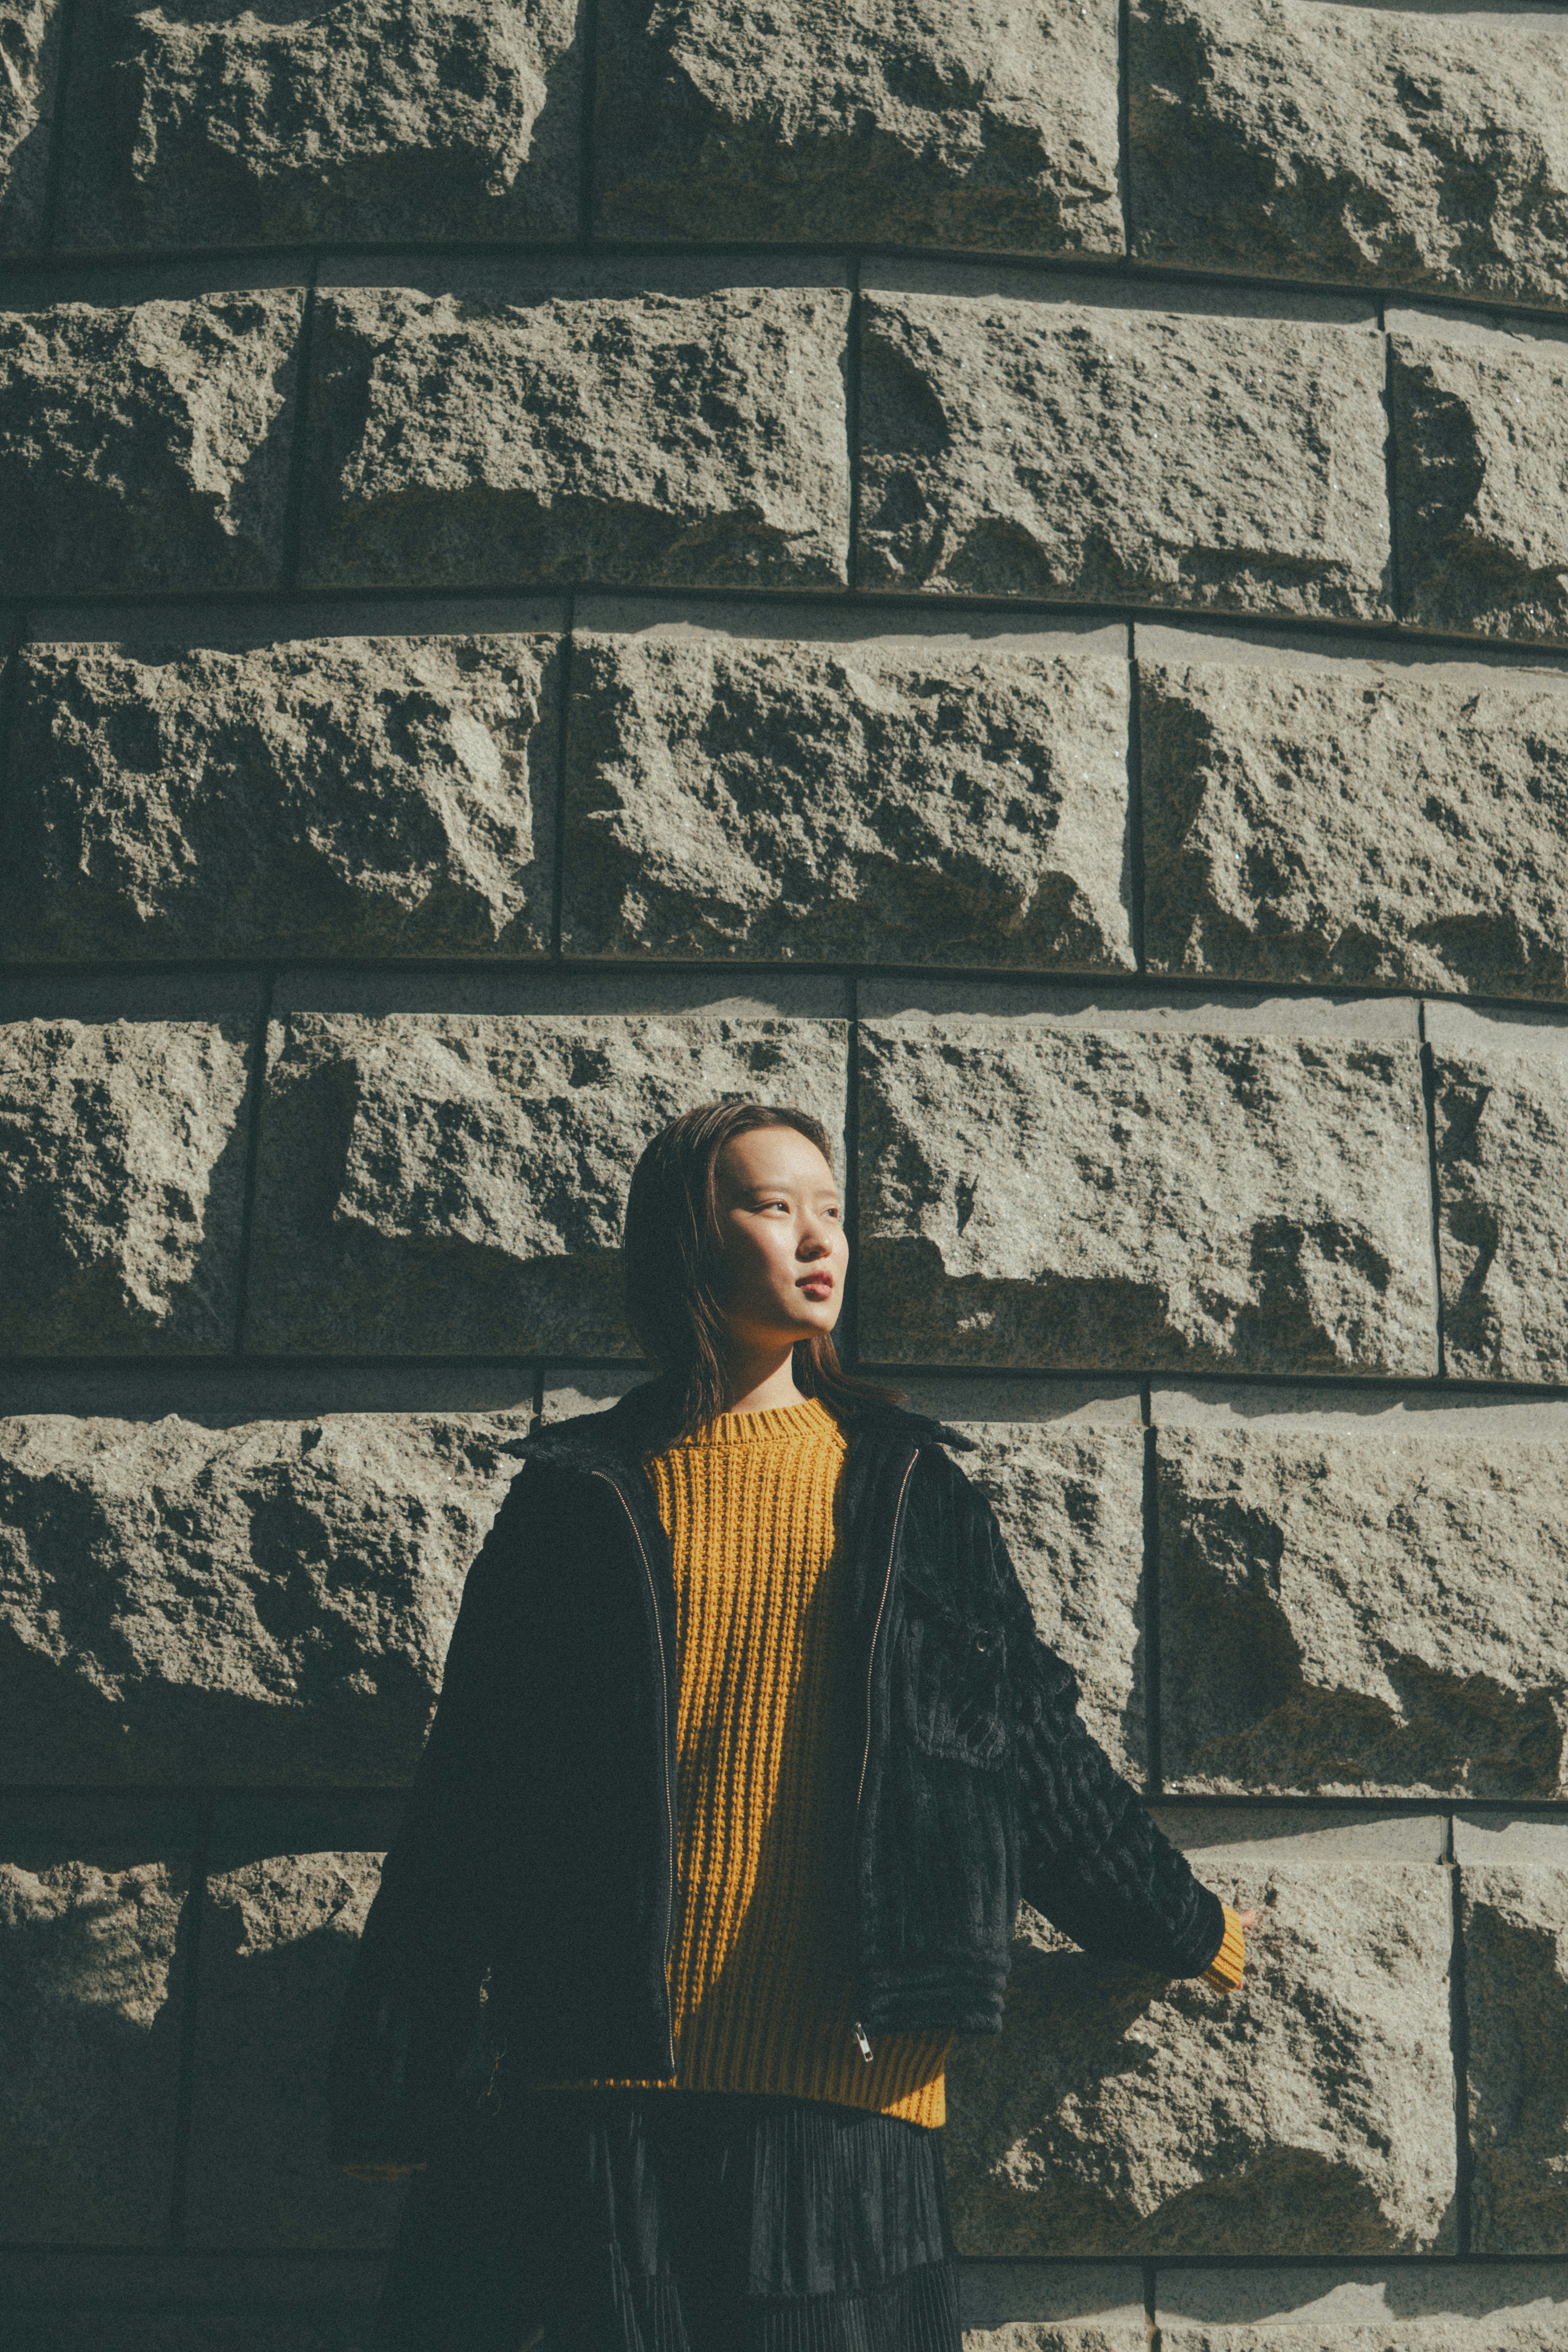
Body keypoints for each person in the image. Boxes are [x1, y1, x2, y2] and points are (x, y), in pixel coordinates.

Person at [330, 1099, 1251, 2352]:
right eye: (774, 1207)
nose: (819, 1239)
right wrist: (400, 2075)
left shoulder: (912, 1488)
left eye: (831, 1211)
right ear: (687, 1245)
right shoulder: (577, 1495)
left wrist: (1175, 1921)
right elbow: (472, 1795)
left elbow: (1020, 1744)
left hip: (850, 2111)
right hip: (603, 2101)